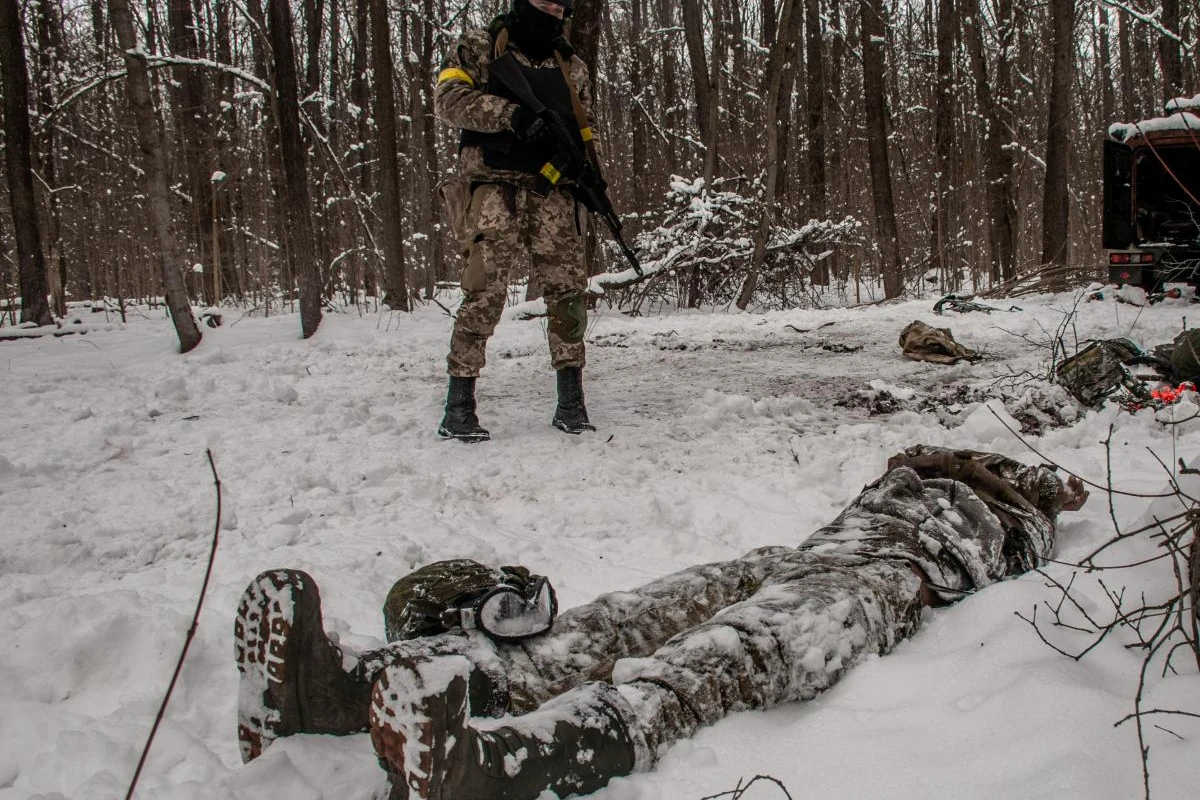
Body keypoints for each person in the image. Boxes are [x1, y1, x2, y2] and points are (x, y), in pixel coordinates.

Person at [234, 446, 1087, 799]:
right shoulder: (923, 466)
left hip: (888, 578)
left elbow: (1056, 497)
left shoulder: (1028, 511)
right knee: (626, 619)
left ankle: (503, 766)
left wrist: (1021, 486)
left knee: (732, 654)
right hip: (805, 551)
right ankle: (346, 691)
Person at [434, 0, 599, 442]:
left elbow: (586, 126)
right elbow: (448, 101)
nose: (550, 9)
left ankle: (571, 403)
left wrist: (580, 168)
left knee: (568, 291)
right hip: (493, 187)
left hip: (551, 192)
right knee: (483, 291)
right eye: (541, 1)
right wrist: (513, 117)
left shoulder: (571, 66)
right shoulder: (479, 46)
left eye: (558, 4)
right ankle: (459, 407)